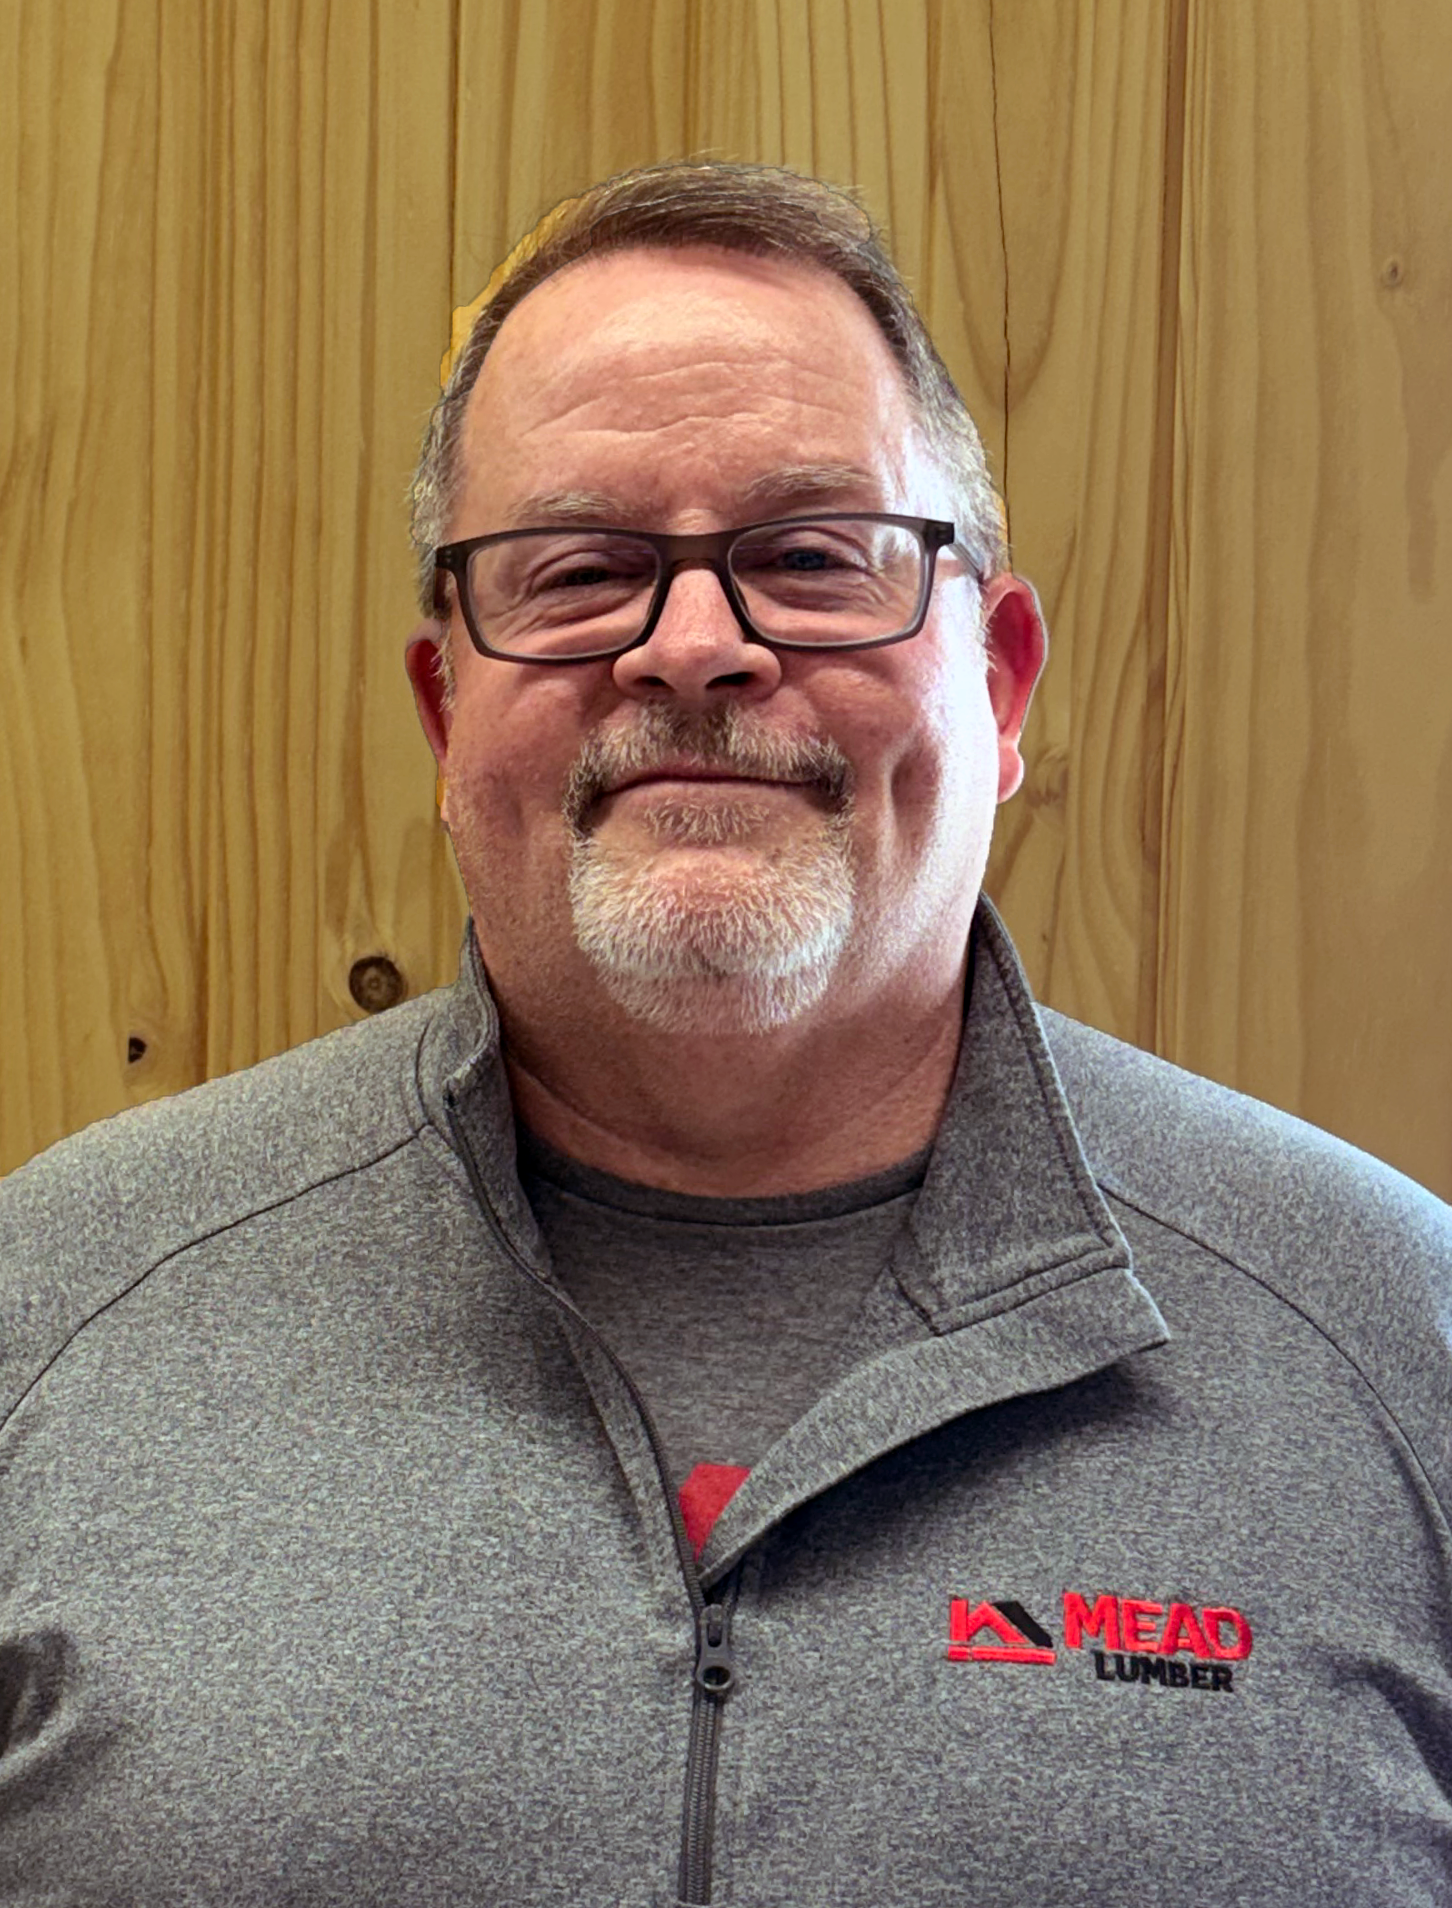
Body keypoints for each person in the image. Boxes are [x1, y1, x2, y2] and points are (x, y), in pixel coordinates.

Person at [2, 161, 1450, 1907]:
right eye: (579, 570)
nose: (693, 648)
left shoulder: (1402, 1343)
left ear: (999, 686)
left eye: (813, 557)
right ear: (447, 712)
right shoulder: (47, 1315)